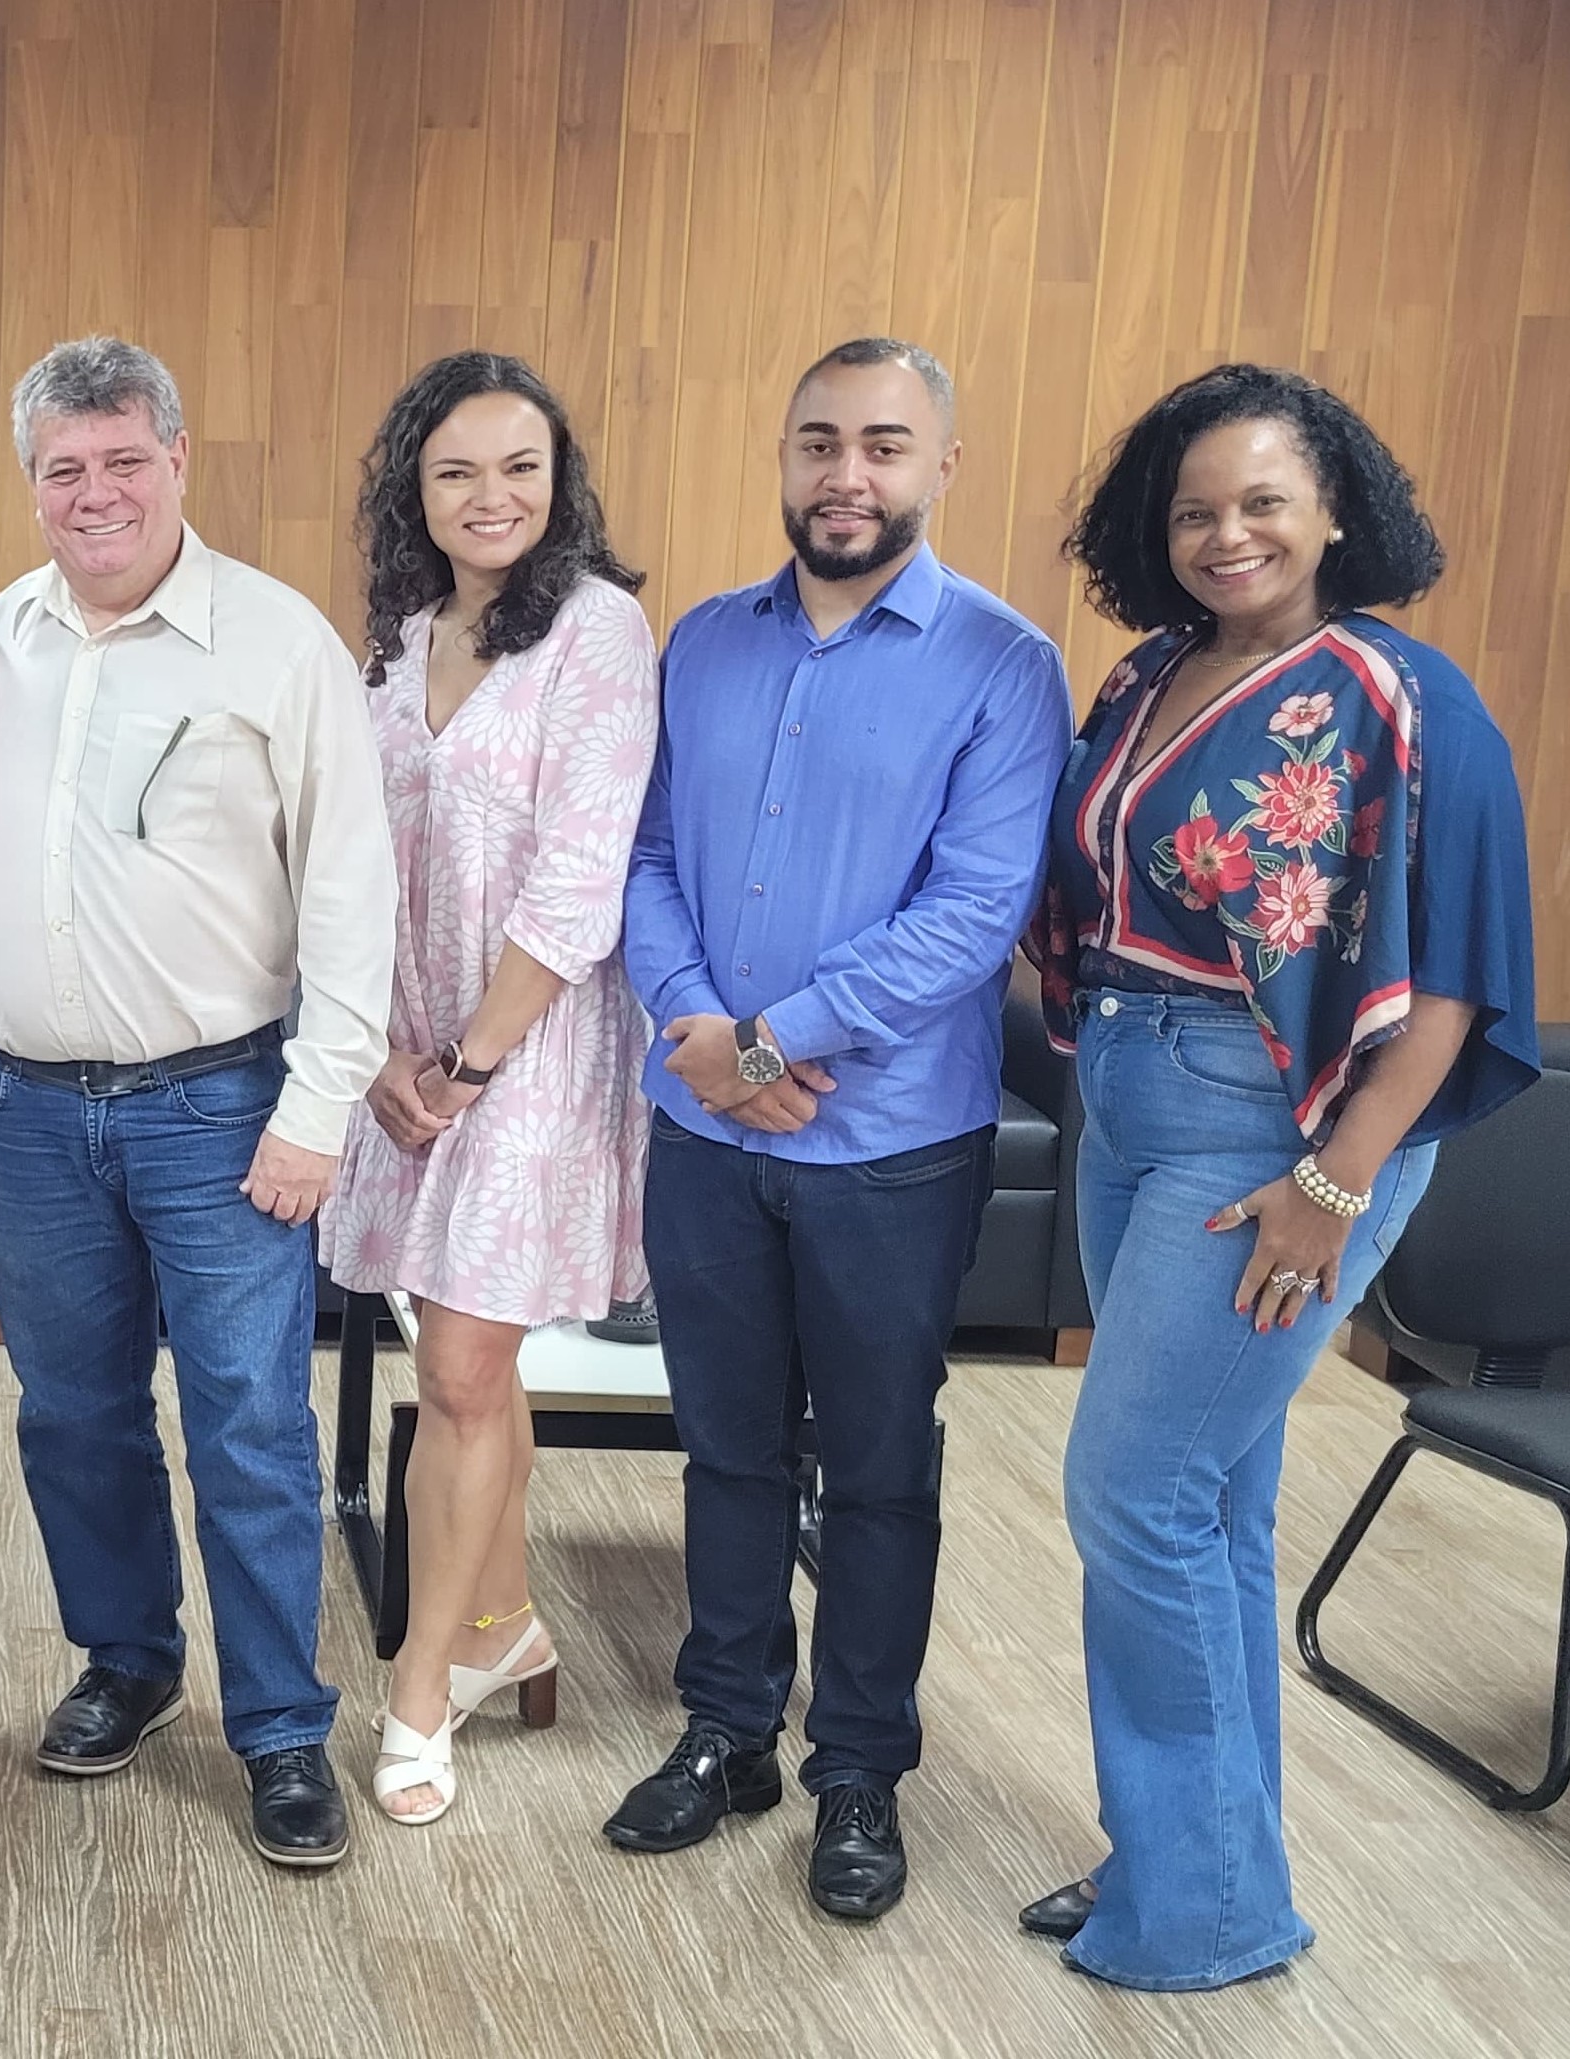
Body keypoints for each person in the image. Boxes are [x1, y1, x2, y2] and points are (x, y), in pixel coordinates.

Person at [1019, 366, 1539, 1989]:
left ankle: (1200, 1908)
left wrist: (1337, 1175)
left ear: (1335, 510)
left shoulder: (1400, 694)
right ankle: (1207, 1859)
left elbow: (1451, 978)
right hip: (1128, 1102)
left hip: (1281, 1137)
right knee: (1213, 1501)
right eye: (1193, 507)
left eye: (1260, 500)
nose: (1226, 530)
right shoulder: (1150, 672)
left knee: (1133, 1485)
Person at [606, 338, 1071, 1922]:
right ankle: (728, 1727)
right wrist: (701, 1036)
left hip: (888, 1144)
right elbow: (647, 853)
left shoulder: (1004, 665)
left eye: (884, 444)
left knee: (875, 1468)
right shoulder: (706, 643)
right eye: (818, 441)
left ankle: (857, 1767)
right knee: (726, 1446)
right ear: (784, 456)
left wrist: (774, 1040)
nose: (845, 475)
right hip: (707, 1132)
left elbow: (976, 912)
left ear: (944, 466)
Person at [0, 335, 395, 1870]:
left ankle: (281, 1726)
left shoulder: (277, 645)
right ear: (31, 482)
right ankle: (127, 1661)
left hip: (220, 1108)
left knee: (250, 1426)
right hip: (20, 1106)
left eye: (123, 459)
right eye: (64, 468)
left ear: (180, 458)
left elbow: (352, 892)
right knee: (74, 1414)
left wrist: (319, 1106)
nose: (95, 492)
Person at [317, 352, 658, 1825]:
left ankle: (416, 1691)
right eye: (459, 468)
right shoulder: (397, 636)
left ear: (560, 480)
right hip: (402, 1052)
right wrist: (382, 1050)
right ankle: (505, 1614)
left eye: (521, 466)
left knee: (455, 1371)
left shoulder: (596, 630)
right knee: (466, 1360)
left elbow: (581, 878)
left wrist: (465, 1062)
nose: (493, 495)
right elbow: (349, 857)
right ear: (415, 486)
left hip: (525, 1047)